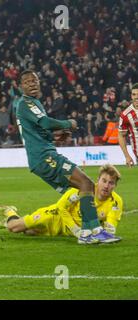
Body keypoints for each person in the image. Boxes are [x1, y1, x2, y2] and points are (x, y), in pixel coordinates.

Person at [15, 70, 119, 244]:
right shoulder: (26, 103)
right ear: (21, 86)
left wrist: (55, 136)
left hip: (44, 156)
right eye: (27, 82)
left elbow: (39, 131)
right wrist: (68, 123)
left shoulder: (34, 103)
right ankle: (94, 231)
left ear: (40, 83)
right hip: (44, 157)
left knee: (83, 185)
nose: (32, 83)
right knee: (86, 182)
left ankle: (87, 233)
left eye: (35, 80)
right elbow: (46, 123)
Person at [0, 164, 123, 242]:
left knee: (29, 232)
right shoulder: (84, 190)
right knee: (14, 228)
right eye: (104, 181)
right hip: (53, 216)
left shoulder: (116, 202)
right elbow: (60, 207)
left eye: (111, 183)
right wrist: (76, 230)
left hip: (62, 232)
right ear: (98, 180)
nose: (106, 186)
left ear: (115, 185)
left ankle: (5, 221)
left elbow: (110, 226)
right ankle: (8, 211)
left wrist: (109, 233)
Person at [118, 83, 138, 167]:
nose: (136, 97)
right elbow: (121, 135)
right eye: (134, 94)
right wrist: (127, 156)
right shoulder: (126, 114)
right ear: (131, 96)